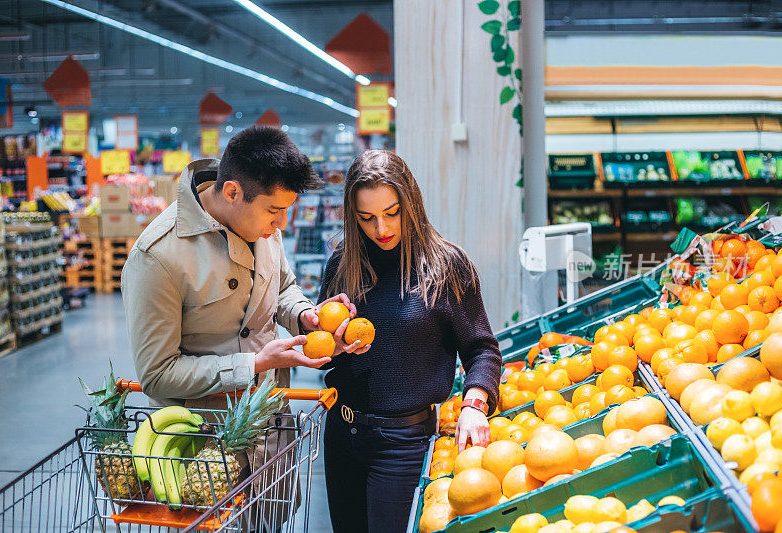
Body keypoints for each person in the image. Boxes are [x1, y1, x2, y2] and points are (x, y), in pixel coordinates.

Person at [120, 127, 366, 528]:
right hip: (204, 447)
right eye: (274, 211)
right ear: (232, 192)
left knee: (269, 522)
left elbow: (283, 286)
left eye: (287, 209)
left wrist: (305, 314)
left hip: (268, 429)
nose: (281, 224)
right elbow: (157, 374)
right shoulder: (159, 256)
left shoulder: (264, 225)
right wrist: (251, 365)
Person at [318, 149, 501, 533]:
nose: (381, 228)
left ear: (411, 204)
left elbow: (481, 349)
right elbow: (320, 352)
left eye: (391, 212)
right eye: (366, 218)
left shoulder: (446, 267)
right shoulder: (342, 265)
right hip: (342, 433)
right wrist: (325, 342)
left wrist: (474, 403)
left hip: (404, 442)